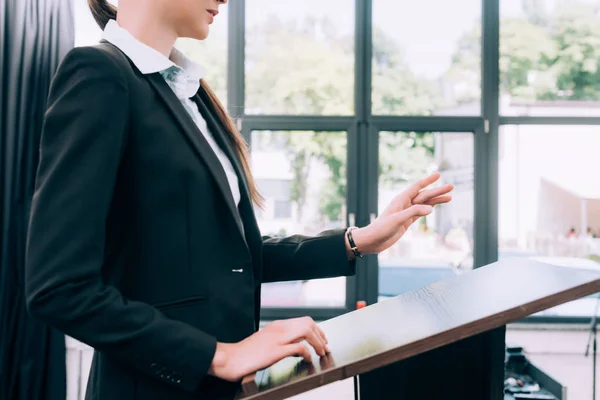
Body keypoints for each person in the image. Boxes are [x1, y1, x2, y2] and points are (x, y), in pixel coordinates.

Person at [24, 0, 453, 399]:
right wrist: (219, 355)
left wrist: (358, 241)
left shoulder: (188, 92)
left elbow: (231, 258)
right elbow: (59, 288)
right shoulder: (98, 74)